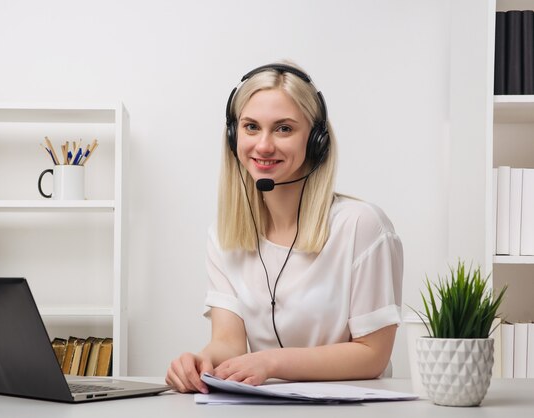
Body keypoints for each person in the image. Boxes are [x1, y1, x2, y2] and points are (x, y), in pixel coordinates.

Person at [165, 62, 403, 393]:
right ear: (234, 135)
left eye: (284, 129)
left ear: (316, 140)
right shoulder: (224, 237)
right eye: (250, 127)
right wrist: (200, 362)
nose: (263, 146)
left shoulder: (362, 226)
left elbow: (372, 355)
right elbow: (228, 344)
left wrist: (272, 362)